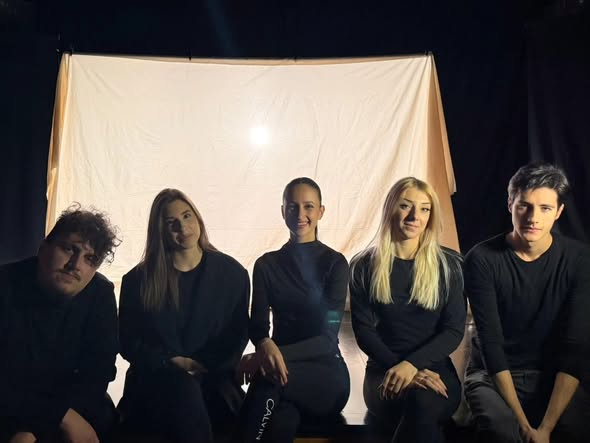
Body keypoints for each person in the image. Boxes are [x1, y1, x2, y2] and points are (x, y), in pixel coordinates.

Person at [464, 163, 590, 443]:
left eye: (545, 208)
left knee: (576, 431)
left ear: (559, 212)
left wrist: (546, 428)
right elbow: (491, 345)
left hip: (552, 375)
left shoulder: (580, 260)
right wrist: (524, 425)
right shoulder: (482, 259)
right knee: (502, 432)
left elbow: (575, 347)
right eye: (524, 206)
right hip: (491, 376)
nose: (533, 218)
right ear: (510, 205)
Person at [118, 188, 250, 443]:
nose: (183, 226)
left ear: (197, 217)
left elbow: (237, 336)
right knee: (183, 391)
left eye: (187, 216)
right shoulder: (137, 280)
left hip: (214, 380)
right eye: (172, 223)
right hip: (155, 381)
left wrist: (202, 368)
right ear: (160, 232)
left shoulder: (233, 274)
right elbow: (128, 342)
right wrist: (170, 363)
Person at [349, 177, 466, 443]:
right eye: (405, 206)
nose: (415, 216)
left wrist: (411, 366)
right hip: (384, 373)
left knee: (422, 403)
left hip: (436, 374)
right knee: (418, 410)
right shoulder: (363, 265)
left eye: (424, 209)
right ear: (390, 208)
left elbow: (453, 330)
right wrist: (399, 368)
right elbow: (364, 332)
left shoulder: (450, 264)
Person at [241, 177, 350, 443]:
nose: (300, 214)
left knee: (267, 383)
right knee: (282, 420)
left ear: (321, 211)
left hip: (325, 374)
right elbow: (258, 327)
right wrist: (264, 344)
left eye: (308, 206)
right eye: (293, 207)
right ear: (283, 211)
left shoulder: (335, 264)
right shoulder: (266, 265)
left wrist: (268, 356)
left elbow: (328, 338)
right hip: (279, 371)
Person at [0, 205, 121, 443]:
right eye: (69, 249)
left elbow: (99, 372)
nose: (75, 264)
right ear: (43, 248)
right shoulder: (5, 285)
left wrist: (47, 423)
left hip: (70, 406)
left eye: (89, 259)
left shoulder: (101, 294)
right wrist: (49, 418)